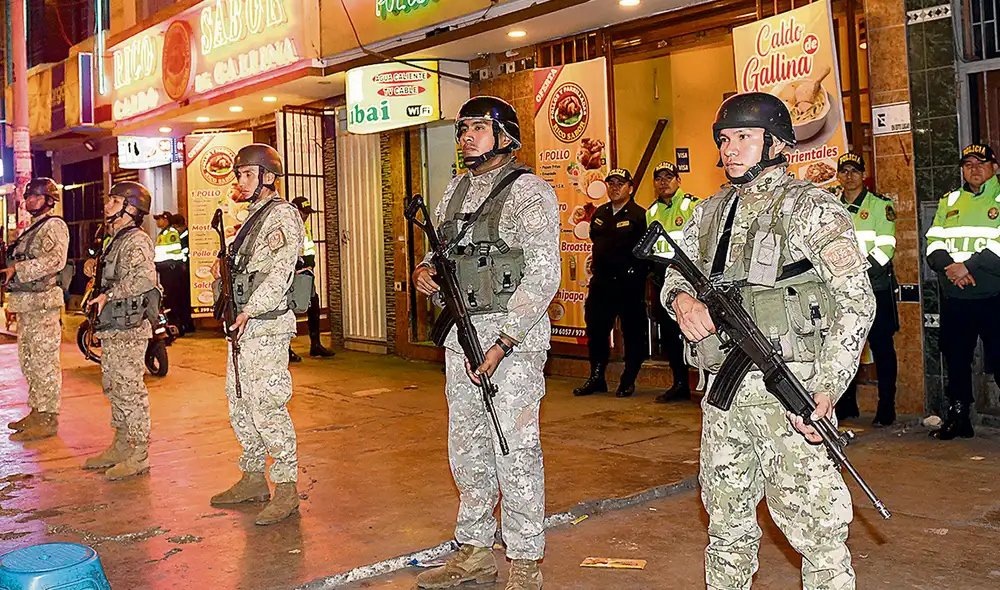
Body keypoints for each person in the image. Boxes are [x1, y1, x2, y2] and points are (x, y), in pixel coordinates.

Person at [662, 92, 875, 589]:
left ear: (776, 143)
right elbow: (675, 270)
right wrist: (681, 303)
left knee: (817, 531)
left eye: (742, 137)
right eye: (723, 139)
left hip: (792, 395)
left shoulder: (812, 209)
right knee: (727, 526)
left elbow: (856, 303)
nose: (729, 149)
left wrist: (826, 390)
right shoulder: (710, 211)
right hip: (724, 397)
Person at [411, 96, 559, 590]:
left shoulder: (530, 192)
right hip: (462, 337)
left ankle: (524, 558)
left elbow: (543, 273)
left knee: (513, 446)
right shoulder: (453, 190)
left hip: (509, 344)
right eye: (463, 129)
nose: (467, 136)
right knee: (467, 446)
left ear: (505, 135)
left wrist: (505, 339)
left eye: (478, 127)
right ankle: (473, 549)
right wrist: (424, 272)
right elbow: (442, 255)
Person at [209, 143, 306, 526]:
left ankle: (285, 487)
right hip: (242, 326)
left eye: (248, 174)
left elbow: (282, 270)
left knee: (266, 404)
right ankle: (252, 477)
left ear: (268, 177)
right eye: (238, 174)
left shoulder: (281, 215)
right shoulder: (252, 217)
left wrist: (252, 307)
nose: (241, 181)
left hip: (264, 325)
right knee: (239, 402)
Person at [83, 181, 158, 479]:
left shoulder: (136, 240)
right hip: (113, 327)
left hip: (128, 329)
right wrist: (93, 265)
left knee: (129, 389)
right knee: (114, 387)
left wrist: (108, 295)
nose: (106, 206)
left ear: (131, 209)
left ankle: (139, 453)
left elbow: (144, 279)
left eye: (114, 201)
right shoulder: (115, 238)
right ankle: (121, 445)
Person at [926, 143, 1000, 440]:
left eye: (981, 163)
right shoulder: (950, 200)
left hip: (993, 295)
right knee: (956, 360)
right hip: (956, 296)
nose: (974, 168)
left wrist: (966, 267)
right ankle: (959, 417)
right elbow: (933, 242)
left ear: (994, 167)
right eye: (968, 164)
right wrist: (950, 268)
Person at [832, 153, 899, 426]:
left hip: (874, 288)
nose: (849, 176)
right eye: (844, 171)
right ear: (838, 176)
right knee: (842, 348)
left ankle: (887, 406)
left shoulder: (880, 206)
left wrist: (854, 275)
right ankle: (847, 403)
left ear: (864, 175)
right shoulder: (831, 206)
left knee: (882, 348)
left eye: (855, 171)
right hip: (837, 291)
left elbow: (885, 250)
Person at [573, 168, 648, 398]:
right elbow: (597, 241)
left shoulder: (639, 215)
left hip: (629, 283)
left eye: (620, 183)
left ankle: (628, 379)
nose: (615, 187)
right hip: (602, 283)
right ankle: (597, 377)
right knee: (596, 330)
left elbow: (646, 250)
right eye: (611, 183)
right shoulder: (600, 213)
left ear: (630, 188)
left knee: (633, 332)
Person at [4, 178, 69, 442]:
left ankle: (48, 417)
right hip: (28, 303)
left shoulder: (54, 225)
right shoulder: (33, 227)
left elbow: (56, 260)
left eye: (35, 196)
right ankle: (37, 410)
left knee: (44, 362)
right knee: (29, 361)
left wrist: (18, 269)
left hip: (43, 303)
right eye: (28, 196)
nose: (29, 201)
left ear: (49, 200)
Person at [645, 161, 698, 403]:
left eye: (669, 177)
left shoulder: (692, 205)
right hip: (662, 280)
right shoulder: (651, 213)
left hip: (689, 282)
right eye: (659, 178)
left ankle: (705, 383)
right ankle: (680, 383)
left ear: (678, 180)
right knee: (669, 334)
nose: (664, 182)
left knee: (695, 331)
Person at [290, 196, 335, 359]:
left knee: (313, 305)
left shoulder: (304, 225)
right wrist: (297, 266)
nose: (306, 216)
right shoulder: (287, 226)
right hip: (291, 275)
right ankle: (285, 349)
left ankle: (315, 344)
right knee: (288, 310)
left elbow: (308, 248)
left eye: (308, 213)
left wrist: (310, 264)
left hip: (305, 274)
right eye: (304, 213)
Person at [153, 211, 185, 334]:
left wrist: (170, 265)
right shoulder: (164, 233)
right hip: (165, 269)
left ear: (166, 220)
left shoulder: (171, 233)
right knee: (168, 298)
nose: (157, 222)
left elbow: (176, 254)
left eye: (159, 219)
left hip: (171, 270)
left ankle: (176, 326)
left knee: (173, 299)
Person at [170, 213, 195, 334]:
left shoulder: (184, 235)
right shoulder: (184, 234)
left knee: (184, 299)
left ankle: (187, 323)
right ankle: (187, 323)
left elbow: (184, 252)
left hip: (185, 271)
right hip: (184, 270)